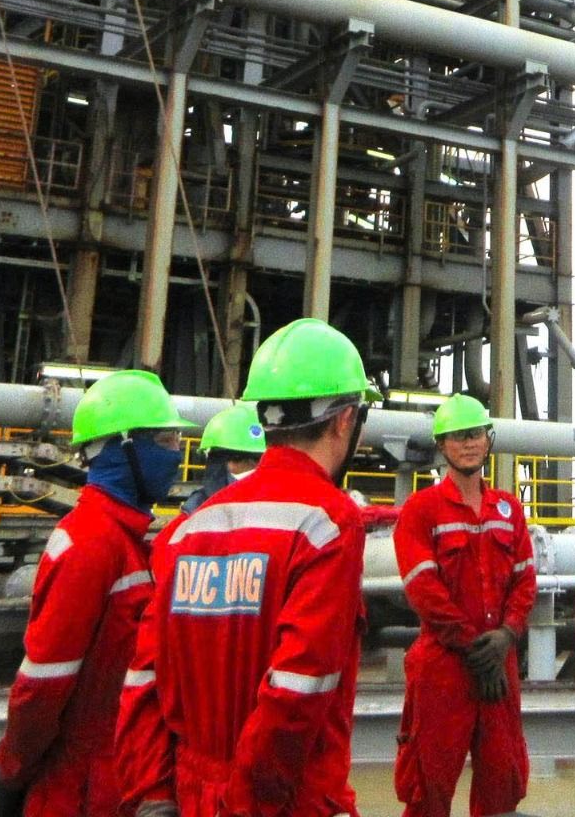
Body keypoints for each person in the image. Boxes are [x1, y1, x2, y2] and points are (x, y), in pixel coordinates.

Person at [119, 320, 373, 817]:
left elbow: (144, 677)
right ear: (345, 420)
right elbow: (299, 688)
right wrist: (247, 802)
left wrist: (153, 792)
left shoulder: (186, 531)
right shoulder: (328, 522)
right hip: (281, 800)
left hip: (191, 795)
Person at [0, 370, 193, 817]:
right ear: (125, 447)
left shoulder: (128, 543)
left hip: (118, 776)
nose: (177, 454)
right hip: (79, 788)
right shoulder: (90, 545)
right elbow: (43, 682)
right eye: (166, 441)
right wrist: (13, 771)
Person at [391, 392, 537, 816]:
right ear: (442, 445)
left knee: (502, 780)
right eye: (457, 436)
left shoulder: (509, 509)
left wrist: (507, 635)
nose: (468, 443)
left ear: (488, 439)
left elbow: (525, 579)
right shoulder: (421, 510)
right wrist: (477, 649)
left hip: (498, 661)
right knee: (428, 785)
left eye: (475, 434)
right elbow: (424, 590)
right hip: (445, 665)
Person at [183, 401, 266, 514]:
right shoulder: (196, 509)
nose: (254, 467)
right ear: (216, 462)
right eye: (238, 458)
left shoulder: (279, 505)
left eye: (261, 460)